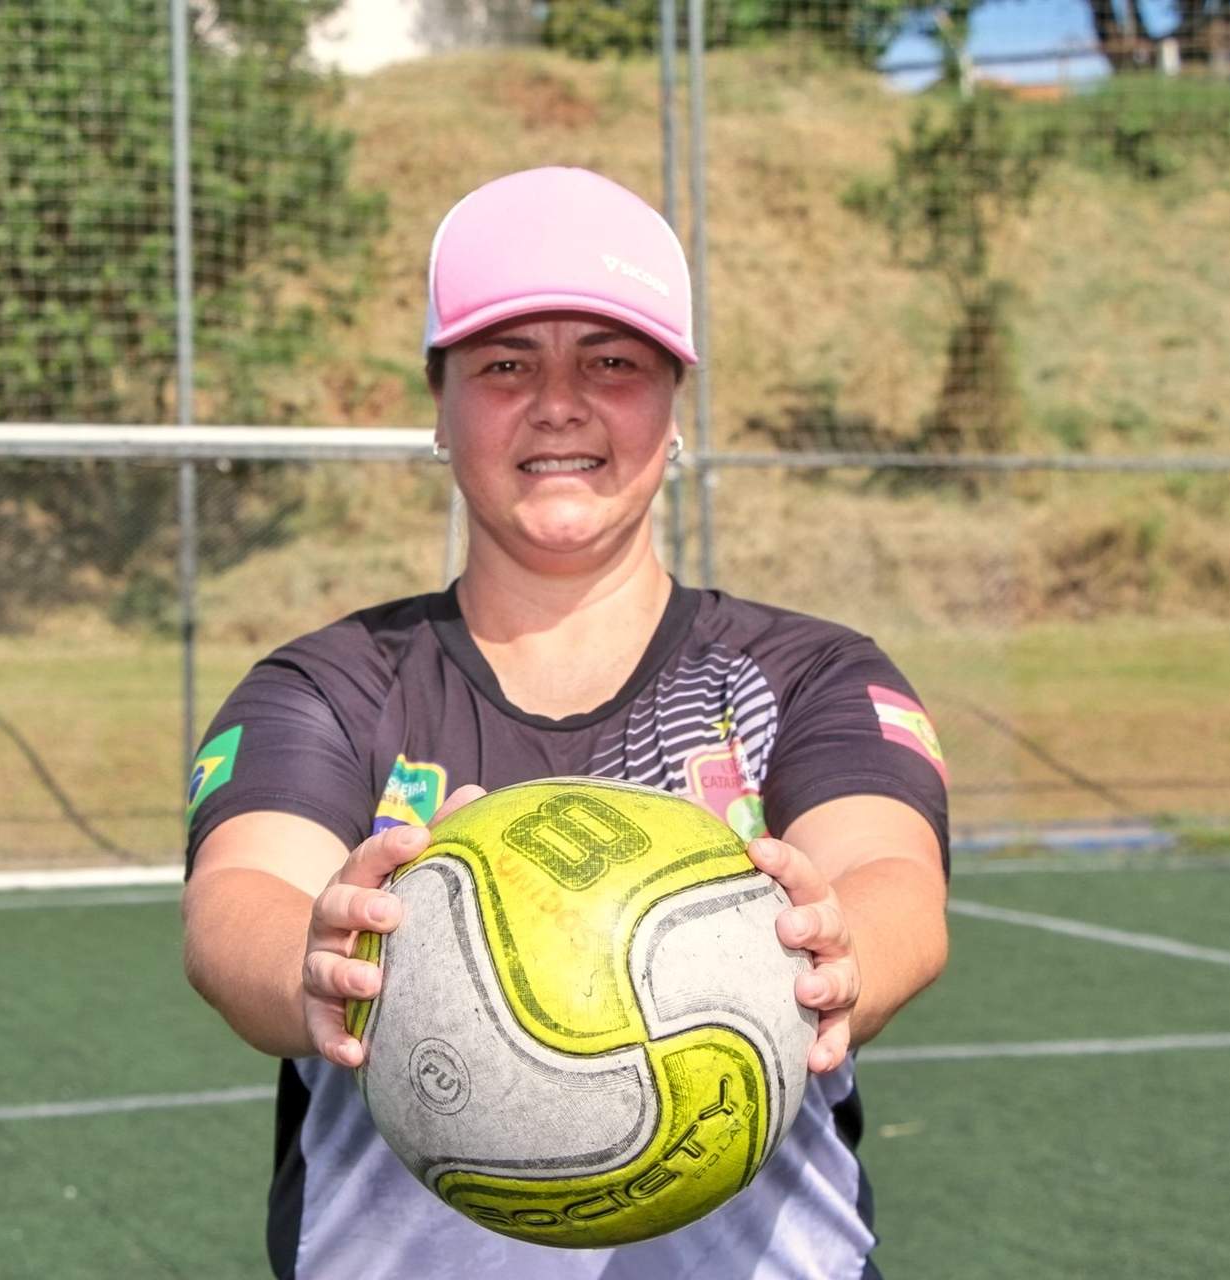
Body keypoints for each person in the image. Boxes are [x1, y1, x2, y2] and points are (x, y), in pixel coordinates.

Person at [181, 166, 949, 1279]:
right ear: (438, 404)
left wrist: (845, 951)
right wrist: (313, 956)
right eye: (503, 364)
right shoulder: (330, 683)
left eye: (610, 361)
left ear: (672, 399)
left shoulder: (808, 671)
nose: (558, 402)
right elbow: (236, 906)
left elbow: (890, 874)